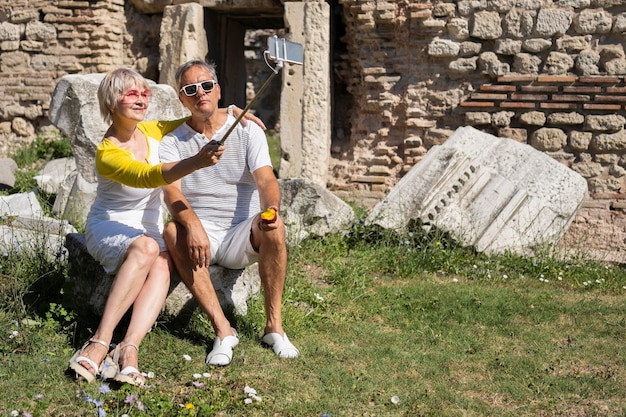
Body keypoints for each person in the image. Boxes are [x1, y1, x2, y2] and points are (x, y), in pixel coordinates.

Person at [68, 67, 261, 385]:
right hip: (110, 226)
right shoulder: (107, 152)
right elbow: (147, 176)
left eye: (145, 93)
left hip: (149, 228)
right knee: (147, 247)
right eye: (132, 93)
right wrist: (195, 161)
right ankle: (100, 342)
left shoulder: (155, 130)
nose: (141, 99)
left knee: (163, 261)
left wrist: (231, 110)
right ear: (111, 100)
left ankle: (128, 348)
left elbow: (200, 117)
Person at [159, 60, 299, 367]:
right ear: (181, 98)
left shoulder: (247, 129)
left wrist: (271, 210)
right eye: (190, 89)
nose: (200, 93)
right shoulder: (173, 140)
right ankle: (223, 330)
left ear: (219, 90)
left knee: (275, 225)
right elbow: (172, 191)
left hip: (241, 233)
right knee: (172, 231)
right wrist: (192, 224)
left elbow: (266, 179)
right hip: (202, 234)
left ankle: (274, 326)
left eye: (207, 85)